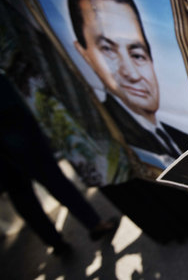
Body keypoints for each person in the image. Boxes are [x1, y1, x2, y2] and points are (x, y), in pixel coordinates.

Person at [67, 0, 188, 165]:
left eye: (137, 54)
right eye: (108, 50)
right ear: (84, 54)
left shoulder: (186, 139)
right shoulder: (111, 139)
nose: (132, 74)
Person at [0, 72, 118, 255]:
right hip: (8, 115)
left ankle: (57, 243)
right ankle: (92, 224)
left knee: (22, 191)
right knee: (48, 177)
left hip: (9, 115)